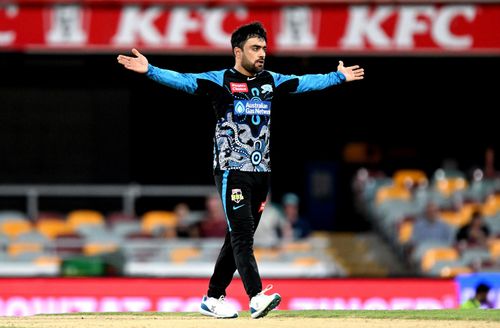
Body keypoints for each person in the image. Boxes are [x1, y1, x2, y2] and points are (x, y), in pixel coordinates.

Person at [117, 21, 364, 319]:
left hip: (262, 173)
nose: (262, 54)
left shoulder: (271, 80)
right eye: (255, 48)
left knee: (236, 237)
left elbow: (304, 82)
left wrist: (337, 77)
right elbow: (183, 80)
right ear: (238, 51)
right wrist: (151, 70)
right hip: (232, 170)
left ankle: (212, 297)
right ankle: (256, 296)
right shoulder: (219, 80)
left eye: (263, 48)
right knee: (243, 236)